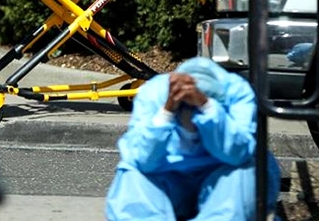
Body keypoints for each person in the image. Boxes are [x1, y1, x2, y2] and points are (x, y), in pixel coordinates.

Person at [105, 57, 281, 220]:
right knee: (132, 176)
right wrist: (167, 112)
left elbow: (238, 153)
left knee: (246, 170)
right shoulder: (154, 93)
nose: (191, 110)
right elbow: (142, 158)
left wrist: (207, 107)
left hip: (219, 176)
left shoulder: (236, 92)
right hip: (167, 177)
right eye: (186, 105)